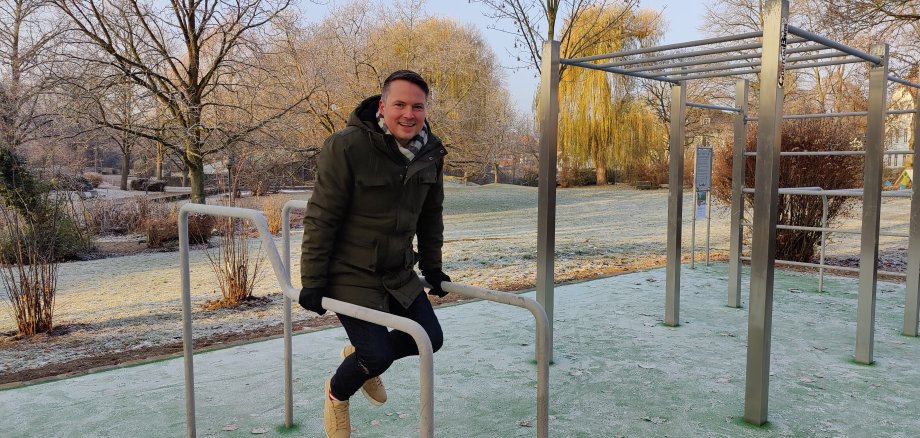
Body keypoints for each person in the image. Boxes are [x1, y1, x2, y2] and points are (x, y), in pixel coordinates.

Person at [298, 70, 451, 438]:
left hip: (398, 271)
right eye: (399, 104)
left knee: (430, 339)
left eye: (417, 106)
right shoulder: (347, 146)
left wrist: (432, 266)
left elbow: (431, 215)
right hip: (349, 272)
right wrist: (313, 281)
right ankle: (338, 393)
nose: (409, 114)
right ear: (383, 106)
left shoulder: (431, 153)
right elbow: (322, 217)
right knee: (377, 355)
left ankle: (360, 358)